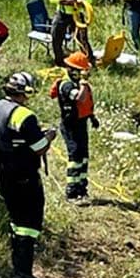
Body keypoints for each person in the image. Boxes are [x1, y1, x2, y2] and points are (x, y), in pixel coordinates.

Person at [0, 72, 56, 278]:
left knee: (16, 220)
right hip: (24, 175)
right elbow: (39, 147)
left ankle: (17, 267)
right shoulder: (25, 115)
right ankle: (23, 276)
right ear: (26, 91)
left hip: (3, 171)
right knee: (29, 224)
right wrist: (49, 136)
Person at [52, 64, 99, 200]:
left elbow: (86, 104)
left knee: (83, 154)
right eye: (81, 70)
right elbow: (80, 98)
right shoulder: (67, 85)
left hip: (81, 123)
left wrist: (92, 117)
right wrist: (84, 82)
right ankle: (71, 190)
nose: (84, 73)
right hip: (70, 125)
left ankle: (81, 187)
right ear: (71, 70)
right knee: (75, 155)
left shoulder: (77, 82)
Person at [48, 0, 94, 68]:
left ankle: (88, 61)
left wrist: (78, 1)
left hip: (77, 14)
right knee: (56, 37)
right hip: (62, 13)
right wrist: (65, 0)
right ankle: (59, 61)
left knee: (82, 39)